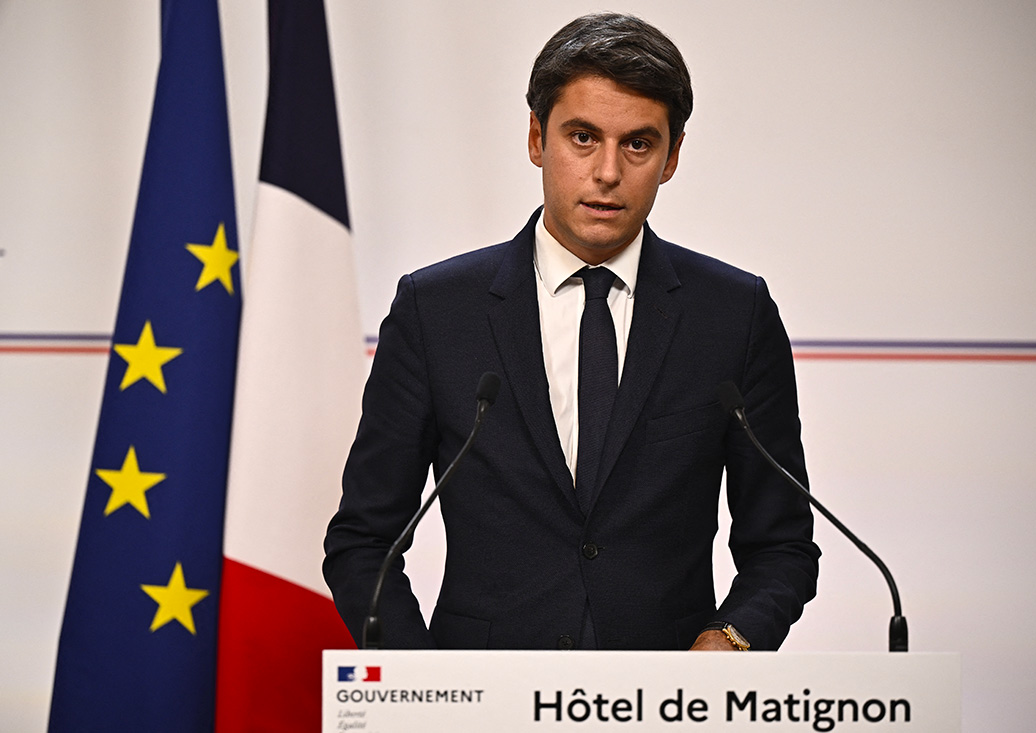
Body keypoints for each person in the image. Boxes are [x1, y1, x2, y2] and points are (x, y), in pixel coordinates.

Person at [324, 12, 819, 652]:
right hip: (485, 694)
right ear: (537, 138)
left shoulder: (733, 314)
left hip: (664, 695)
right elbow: (364, 540)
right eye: (582, 137)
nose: (607, 172)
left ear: (671, 157)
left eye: (637, 144)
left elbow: (782, 545)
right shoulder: (436, 310)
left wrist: (731, 638)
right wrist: (428, 684)